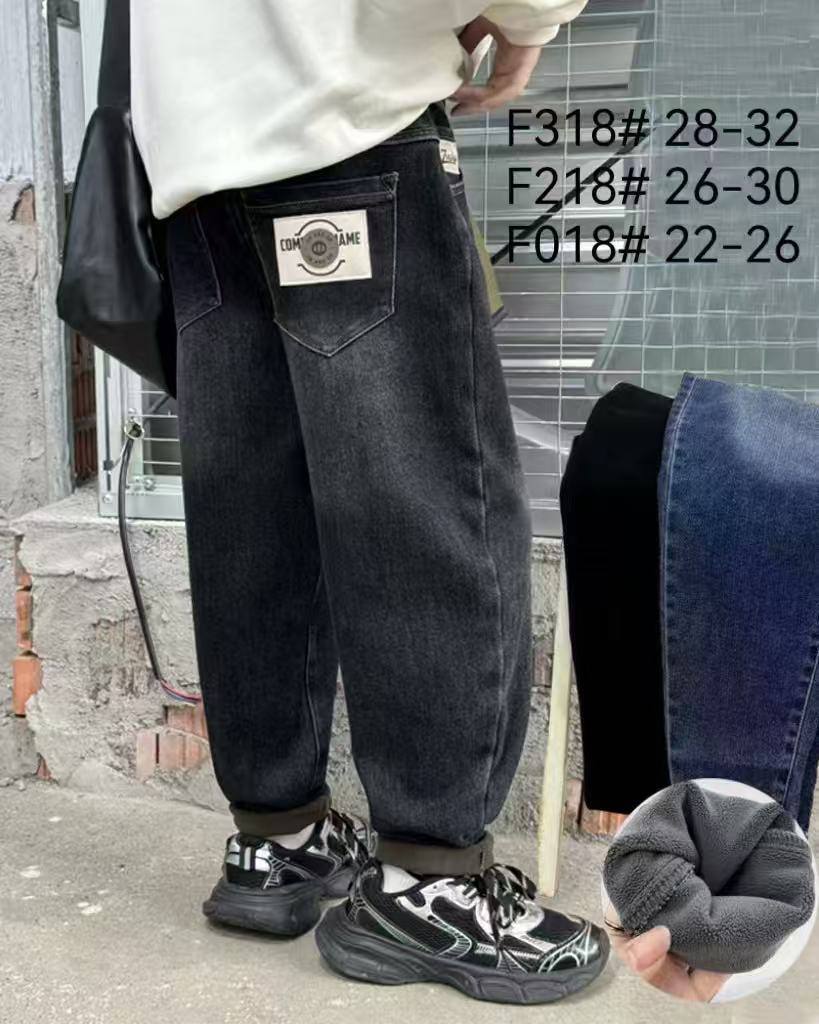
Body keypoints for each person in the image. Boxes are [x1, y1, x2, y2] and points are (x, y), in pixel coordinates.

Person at [131, 0, 608, 1004]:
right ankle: (430, 885)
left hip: (195, 163)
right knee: (428, 503)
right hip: (346, 129)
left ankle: (278, 840)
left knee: (255, 514)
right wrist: (528, 19)